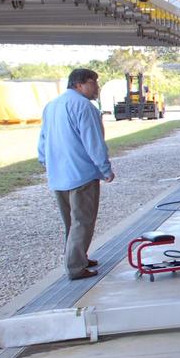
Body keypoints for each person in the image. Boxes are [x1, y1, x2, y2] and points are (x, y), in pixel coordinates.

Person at [37, 68, 114, 281]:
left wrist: (44, 160)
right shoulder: (84, 107)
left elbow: (43, 138)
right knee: (82, 221)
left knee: (71, 222)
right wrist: (105, 168)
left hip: (58, 174)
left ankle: (78, 257)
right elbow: (93, 141)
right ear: (79, 84)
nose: (96, 87)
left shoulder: (51, 106)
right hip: (81, 173)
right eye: (93, 83)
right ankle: (75, 267)